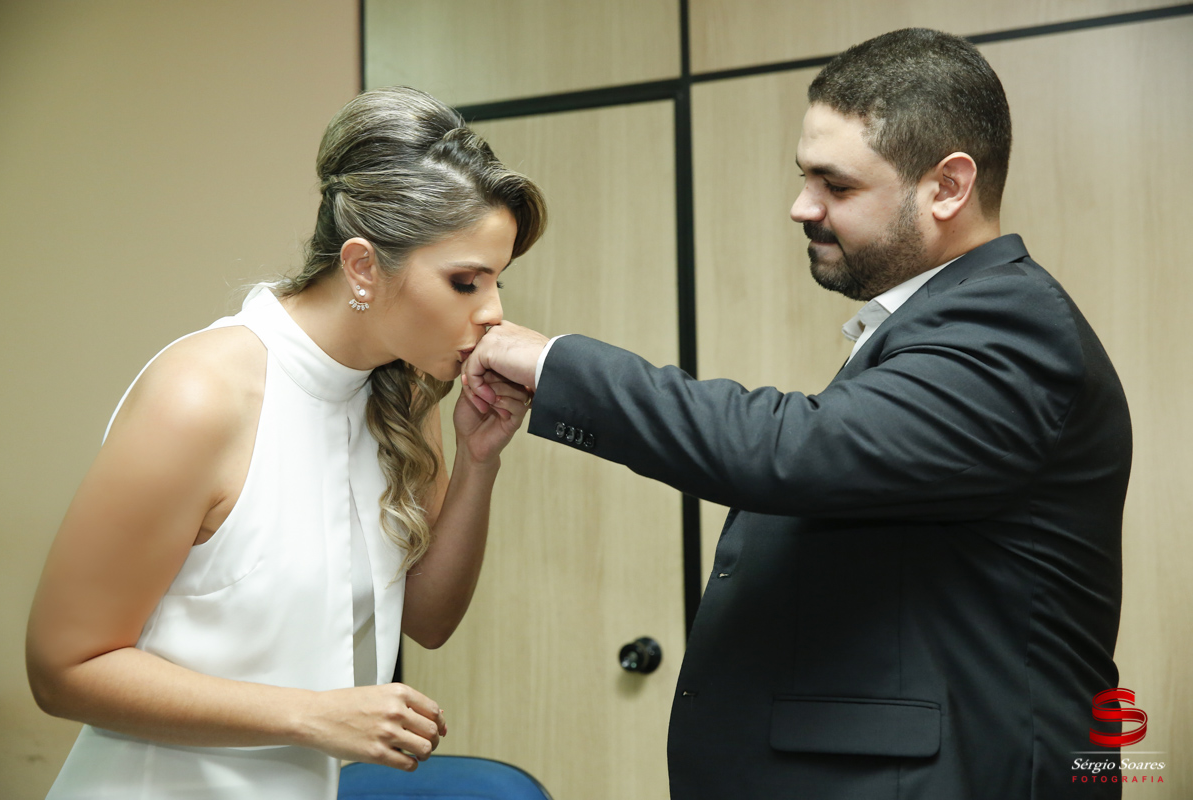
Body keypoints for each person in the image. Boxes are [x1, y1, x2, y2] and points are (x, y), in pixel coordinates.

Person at [463, 29, 1130, 800]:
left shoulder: (1009, 325)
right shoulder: (948, 321)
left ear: (947, 187)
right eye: (803, 176)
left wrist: (553, 363)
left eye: (835, 186)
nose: (801, 206)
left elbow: (795, 450)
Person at [26, 86, 546, 799]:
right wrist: (312, 715)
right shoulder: (200, 396)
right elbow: (62, 670)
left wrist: (479, 461)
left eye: (498, 283)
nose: (494, 314)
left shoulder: (401, 395)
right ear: (362, 266)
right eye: (466, 283)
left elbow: (427, 621)